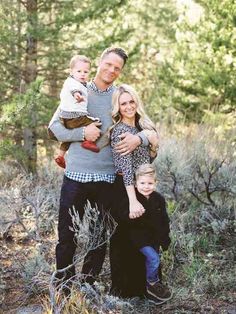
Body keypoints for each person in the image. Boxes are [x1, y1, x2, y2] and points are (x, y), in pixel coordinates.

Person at [48, 47, 149, 293]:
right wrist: (83, 133)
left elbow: (147, 126)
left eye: (118, 68)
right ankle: (64, 289)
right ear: (100, 62)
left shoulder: (119, 96)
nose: (112, 70)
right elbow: (53, 129)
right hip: (76, 177)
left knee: (98, 238)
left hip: (107, 180)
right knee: (67, 236)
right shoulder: (77, 89)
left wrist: (141, 138)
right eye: (109, 64)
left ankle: (87, 286)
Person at [109, 84, 163, 300]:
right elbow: (125, 169)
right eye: (123, 103)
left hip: (144, 189)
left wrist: (152, 143)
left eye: (132, 101)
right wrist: (132, 201)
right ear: (118, 107)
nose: (129, 106)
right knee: (127, 240)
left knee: (148, 237)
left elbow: (150, 157)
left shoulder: (142, 127)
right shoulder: (120, 131)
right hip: (126, 191)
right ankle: (125, 292)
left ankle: (148, 288)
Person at [131, 164, 172, 301]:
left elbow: (164, 219)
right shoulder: (134, 199)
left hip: (155, 238)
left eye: (150, 183)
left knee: (152, 260)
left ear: (155, 183)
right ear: (135, 184)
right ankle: (152, 283)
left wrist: (165, 238)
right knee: (154, 258)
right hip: (140, 239)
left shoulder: (158, 198)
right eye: (142, 183)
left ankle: (150, 288)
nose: (146, 186)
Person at [53, 55, 100, 169]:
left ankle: (60, 155)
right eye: (79, 71)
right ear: (71, 72)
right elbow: (75, 90)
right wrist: (77, 95)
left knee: (69, 138)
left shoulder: (81, 83)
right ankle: (88, 141)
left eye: (86, 71)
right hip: (74, 116)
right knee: (97, 122)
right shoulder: (73, 82)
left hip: (66, 118)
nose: (82, 74)